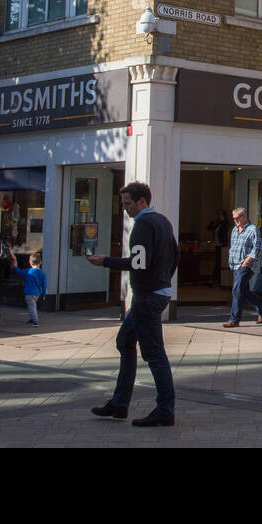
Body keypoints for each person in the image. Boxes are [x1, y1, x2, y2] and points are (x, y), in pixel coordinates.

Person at [87, 181, 178, 427]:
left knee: (154, 354)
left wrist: (105, 261)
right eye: (124, 203)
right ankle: (119, 403)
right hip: (157, 292)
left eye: (128, 204)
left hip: (147, 296)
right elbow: (174, 256)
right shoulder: (163, 221)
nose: (125, 209)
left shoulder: (142, 225)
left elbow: (137, 264)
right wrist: (164, 281)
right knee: (125, 341)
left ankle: (164, 409)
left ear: (142, 201)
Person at [223, 207, 262, 328]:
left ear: (244, 216)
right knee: (244, 291)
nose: (236, 221)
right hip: (235, 265)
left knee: (236, 291)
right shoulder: (234, 230)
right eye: (234, 219)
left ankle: (234, 319)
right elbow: (233, 246)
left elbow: (257, 248)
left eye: (238, 218)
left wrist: (247, 261)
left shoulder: (253, 229)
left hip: (245, 266)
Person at [9, 251, 48, 327]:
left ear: (30, 262)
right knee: (33, 306)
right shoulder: (42, 273)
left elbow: (19, 272)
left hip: (29, 293)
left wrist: (15, 264)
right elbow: (44, 285)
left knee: (31, 307)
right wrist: (43, 294)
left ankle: (35, 321)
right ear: (40, 262)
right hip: (37, 293)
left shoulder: (28, 271)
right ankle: (32, 319)